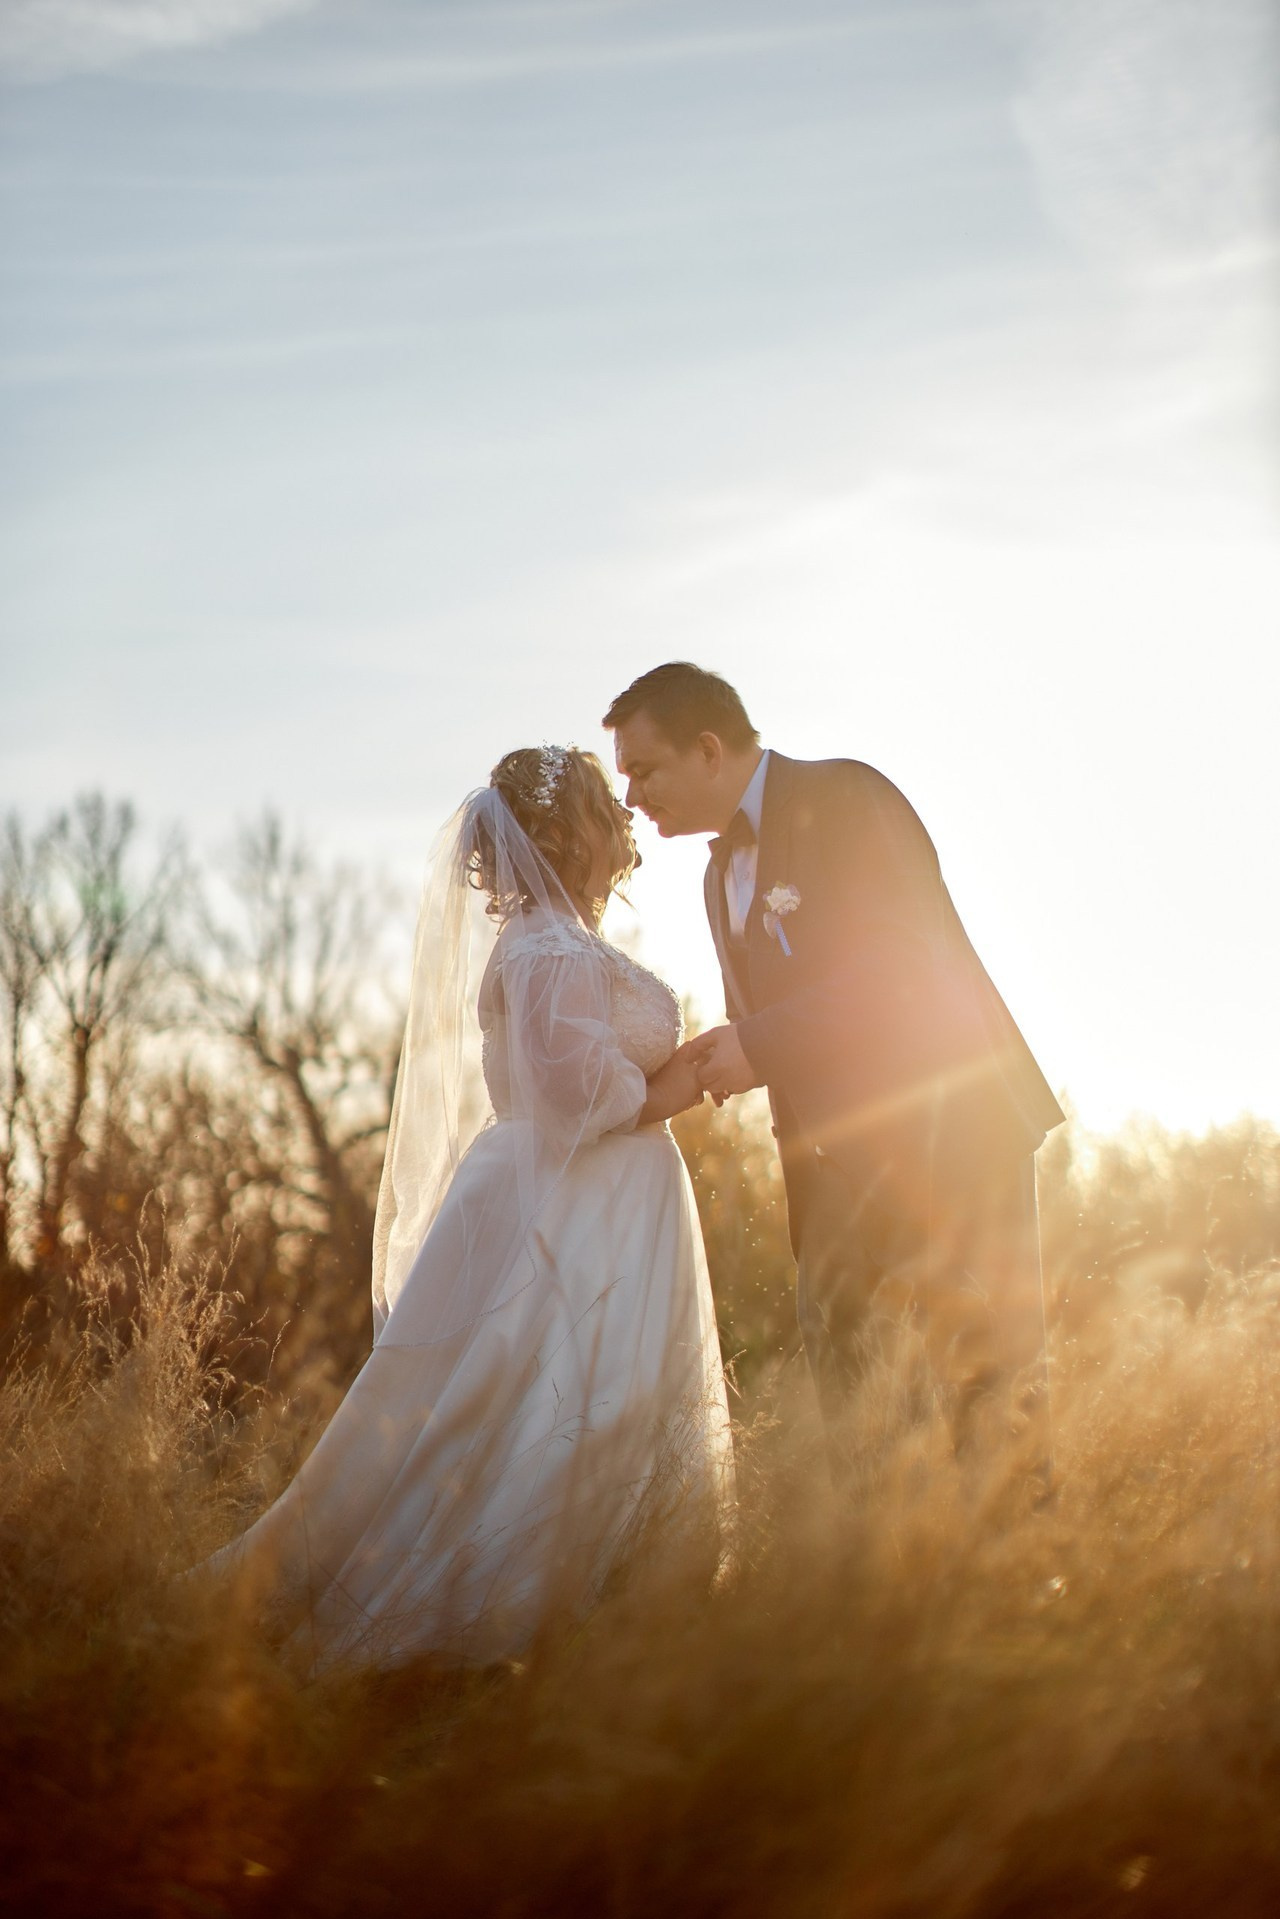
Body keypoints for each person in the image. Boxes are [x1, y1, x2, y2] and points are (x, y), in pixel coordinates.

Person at [204, 745, 732, 1667]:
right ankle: (506, 1609)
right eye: (612, 805)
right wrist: (679, 1085)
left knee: (555, 1397)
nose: (627, 820)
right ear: (571, 832)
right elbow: (572, 1091)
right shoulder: (549, 948)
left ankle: (628, 1593)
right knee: (544, 1401)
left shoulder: (551, 940)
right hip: (575, 1206)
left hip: (591, 1197)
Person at [604, 662, 1064, 1472]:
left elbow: (905, 973)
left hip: (953, 1139)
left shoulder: (848, 800)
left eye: (644, 770)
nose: (633, 798)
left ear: (708, 749)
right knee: (859, 1408)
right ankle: (882, 1584)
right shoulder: (717, 879)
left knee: (991, 1397)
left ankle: (1024, 1587)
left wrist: (759, 1043)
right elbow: (780, 1027)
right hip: (835, 1173)